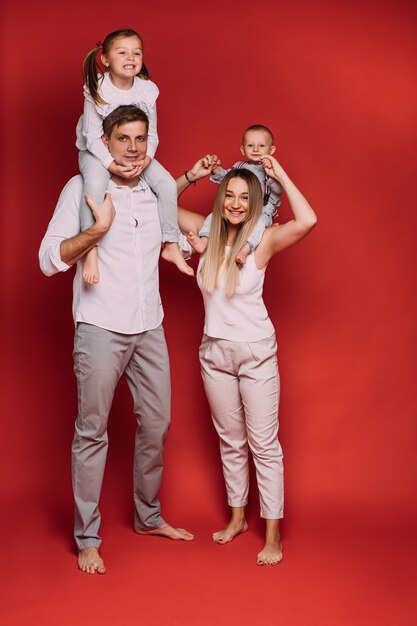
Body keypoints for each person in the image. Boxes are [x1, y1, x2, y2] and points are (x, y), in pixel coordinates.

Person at [39, 105, 194, 576]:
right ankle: (88, 537)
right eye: (123, 138)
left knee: (157, 424)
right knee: (92, 433)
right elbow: (49, 258)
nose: (133, 148)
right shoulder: (82, 189)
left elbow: (185, 239)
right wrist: (97, 229)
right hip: (101, 328)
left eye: (140, 138)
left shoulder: (154, 191)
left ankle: (148, 517)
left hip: (149, 327)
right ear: (103, 143)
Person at [176, 154, 317, 565]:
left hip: (255, 353)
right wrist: (192, 175)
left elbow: (307, 221)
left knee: (263, 445)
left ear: (255, 202)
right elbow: (159, 199)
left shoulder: (263, 240)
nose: (236, 203)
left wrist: (280, 175)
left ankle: (272, 535)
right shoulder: (204, 233)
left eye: (244, 197)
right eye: (229, 195)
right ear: (220, 199)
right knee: (230, 441)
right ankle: (237, 518)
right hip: (213, 352)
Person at [76, 28, 192, 284]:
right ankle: (91, 248)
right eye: (122, 52)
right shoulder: (98, 88)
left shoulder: (146, 90)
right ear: (105, 59)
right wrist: (111, 165)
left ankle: (171, 243)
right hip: (96, 152)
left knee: (166, 184)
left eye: (136, 53)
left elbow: (152, 134)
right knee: (93, 187)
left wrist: (146, 160)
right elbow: (91, 135)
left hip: (134, 152)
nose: (131, 57)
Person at [189, 125, 282, 265]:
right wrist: (217, 170)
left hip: (261, 212)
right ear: (243, 150)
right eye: (250, 145)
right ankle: (204, 240)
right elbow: (227, 179)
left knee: (258, 224)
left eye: (261, 145)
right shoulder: (239, 167)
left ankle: (244, 250)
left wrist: (272, 173)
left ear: (271, 150)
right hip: (240, 211)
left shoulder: (272, 169)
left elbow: (278, 189)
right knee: (215, 215)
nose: (256, 149)